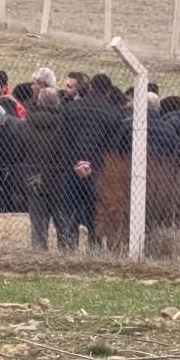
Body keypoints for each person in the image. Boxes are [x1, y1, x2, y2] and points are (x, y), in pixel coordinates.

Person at [60, 73, 122, 247]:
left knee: (69, 211)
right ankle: (94, 248)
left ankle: (68, 248)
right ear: (108, 91)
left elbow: (63, 140)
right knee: (94, 214)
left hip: (71, 170)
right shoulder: (114, 115)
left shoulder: (71, 108)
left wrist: (76, 163)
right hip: (98, 172)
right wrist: (92, 165)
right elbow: (112, 147)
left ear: (91, 88)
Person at [21, 88, 71, 250]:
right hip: (58, 179)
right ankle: (66, 255)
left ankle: (39, 254)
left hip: (34, 178)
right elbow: (66, 152)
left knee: (38, 224)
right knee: (62, 223)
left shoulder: (28, 122)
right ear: (57, 102)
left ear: (39, 102)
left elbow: (20, 150)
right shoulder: (64, 124)